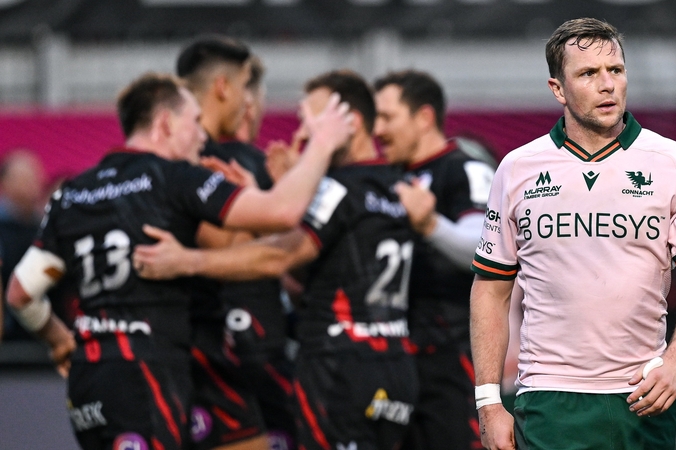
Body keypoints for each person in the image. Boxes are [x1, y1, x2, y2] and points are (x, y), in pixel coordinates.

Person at [4, 72, 351, 450]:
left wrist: (57, 339)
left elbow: (21, 293)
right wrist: (322, 144)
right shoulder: (172, 178)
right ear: (166, 124)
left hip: (90, 381)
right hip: (147, 376)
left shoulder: (71, 194)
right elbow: (282, 212)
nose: (203, 137)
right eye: (194, 123)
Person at [469, 18, 676, 450]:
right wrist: (488, 401)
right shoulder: (517, 168)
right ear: (558, 89)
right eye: (588, 74)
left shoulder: (670, 159)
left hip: (643, 397)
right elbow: (490, 288)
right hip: (549, 399)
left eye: (616, 70)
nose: (607, 84)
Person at [133, 70, 419, 450]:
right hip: (396, 365)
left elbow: (278, 258)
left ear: (350, 124)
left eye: (313, 124)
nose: (301, 137)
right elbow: (328, 266)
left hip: (339, 368)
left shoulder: (338, 189)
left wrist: (186, 260)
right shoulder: (397, 186)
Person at [178, 37, 296, 450]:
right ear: (225, 88)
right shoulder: (194, 159)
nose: (250, 104)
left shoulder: (236, 158)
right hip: (216, 348)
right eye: (248, 87)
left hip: (236, 347)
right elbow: (220, 246)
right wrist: (278, 218)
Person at [372, 70, 495, 450]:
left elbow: (483, 249)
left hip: (450, 359)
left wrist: (429, 224)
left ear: (424, 117)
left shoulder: (464, 169)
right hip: (390, 359)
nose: (378, 129)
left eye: (387, 117)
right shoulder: (383, 180)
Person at [0, 149, 47, 341]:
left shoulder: (45, 228)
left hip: (42, 335)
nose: (32, 184)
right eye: (24, 179)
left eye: (35, 177)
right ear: (4, 183)